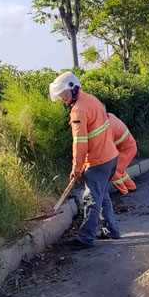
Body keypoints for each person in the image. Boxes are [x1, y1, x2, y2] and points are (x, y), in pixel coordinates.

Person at [49, 72, 120, 249]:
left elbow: (80, 142)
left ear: (74, 89)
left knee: (91, 199)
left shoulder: (78, 111)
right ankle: (111, 231)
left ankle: (85, 238)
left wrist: (77, 167)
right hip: (111, 158)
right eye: (61, 97)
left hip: (98, 161)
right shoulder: (91, 99)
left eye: (65, 95)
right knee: (102, 196)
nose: (64, 100)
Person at [105, 108, 138, 196]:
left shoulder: (108, 127)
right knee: (120, 169)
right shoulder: (110, 116)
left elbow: (107, 146)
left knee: (114, 170)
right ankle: (131, 186)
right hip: (128, 147)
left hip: (126, 149)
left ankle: (123, 191)